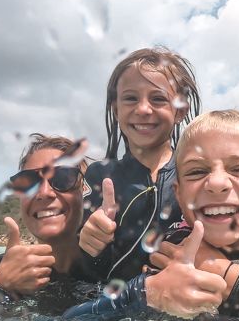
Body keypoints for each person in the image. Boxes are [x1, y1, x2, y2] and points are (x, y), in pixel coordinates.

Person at [64, 110, 239, 321]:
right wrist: (144, 294)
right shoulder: (166, 264)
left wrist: (233, 277)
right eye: (197, 171)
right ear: (178, 194)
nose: (217, 183)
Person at [78, 47, 199, 282]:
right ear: (116, 109)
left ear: (180, 111)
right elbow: (86, 272)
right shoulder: (99, 176)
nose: (143, 109)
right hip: (113, 300)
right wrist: (90, 244)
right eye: (131, 98)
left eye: (158, 99)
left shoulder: (196, 174)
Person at [0, 134, 91, 309]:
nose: (43, 193)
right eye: (29, 183)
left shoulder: (112, 268)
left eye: (63, 177)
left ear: (86, 192)